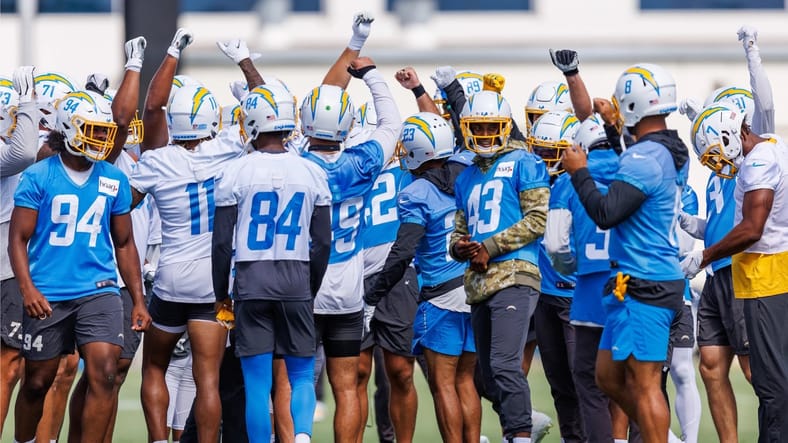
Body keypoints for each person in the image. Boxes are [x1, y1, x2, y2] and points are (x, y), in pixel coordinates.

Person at [8, 89, 151, 443]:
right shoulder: (39, 175)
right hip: (48, 292)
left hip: (98, 291)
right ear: (69, 129)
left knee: (103, 374)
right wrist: (27, 288)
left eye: (104, 130)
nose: (102, 137)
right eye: (95, 129)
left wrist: (137, 298)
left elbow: (124, 243)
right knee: (37, 382)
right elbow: (17, 239)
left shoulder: (113, 178)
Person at [131, 29, 248, 443]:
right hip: (213, 283)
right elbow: (271, 114)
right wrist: (246, 63)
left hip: (170, 278)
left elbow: (152, 106)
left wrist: (171, 52)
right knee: (208, 379)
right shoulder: (229, 150)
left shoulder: (158, 162)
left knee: (154, 369)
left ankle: (159, 441)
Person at [562, 63, 688, 443]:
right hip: (639, 279)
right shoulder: (666, 149)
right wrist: (616, 131)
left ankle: (657, 437)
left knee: (646, 383)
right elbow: (635, 163)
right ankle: (658, 434)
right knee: (607, 376)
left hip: (644, 281)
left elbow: (605, 213)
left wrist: (579, 173)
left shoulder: (643, 158)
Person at [212, 82, 332, 443]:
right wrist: (310, 285)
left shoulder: (235, 171)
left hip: (251, 279)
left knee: (257, 383)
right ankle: (304, 436)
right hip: (296, 277)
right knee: (300, 374)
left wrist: (222, 293)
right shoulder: (312, 171)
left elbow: (221, 243)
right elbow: (323, 241)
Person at [300, 54, 400, 442]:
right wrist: (372, 77)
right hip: (347, 289)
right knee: (346, 386)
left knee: (298, 378)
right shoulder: (363, 162)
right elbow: (391, 121)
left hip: (305, 287)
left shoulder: (294, 163)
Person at [366, 112, 480, 443]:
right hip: (473, 288)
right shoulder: (467, 173)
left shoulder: (416, 192)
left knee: (444, 382)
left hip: (440, 295)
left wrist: (374, 295)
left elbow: (403, 253)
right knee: (466, 380)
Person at [681, 102, 787, 442]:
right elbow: (723, 225)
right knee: (727, 370)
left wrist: (704, 257)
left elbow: (751, 228)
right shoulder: (742, 161)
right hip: (735, 276)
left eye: (714, 151)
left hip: (752, 273)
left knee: (764, 375)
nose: (714, 162)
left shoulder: (756, 161)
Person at [66, 35, 155, 443]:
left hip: (134, 276)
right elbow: (121, 122)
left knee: (113, 376)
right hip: (103, 278)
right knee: (99, 372)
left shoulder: (147, 158)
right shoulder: (108, 157)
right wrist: (133, 66)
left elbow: (145, 117)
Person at [450, 90, 550, 443]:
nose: (486, 134)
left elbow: (538, 219)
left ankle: (519, 435)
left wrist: (490, 247)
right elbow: (458, 231)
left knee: (506, 364)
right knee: (485, 378)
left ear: (505, 127)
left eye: (492, 126)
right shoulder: (465, 178)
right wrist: (460, 247)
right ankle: (527, 420)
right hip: (479, 283)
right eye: (478, 127)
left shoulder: (525, 162)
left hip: (514, 275)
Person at [526, 110, 586, 443]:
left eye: (554, 151)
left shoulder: (579, 184)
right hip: (545, 295)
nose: (547, 159)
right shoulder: (533, 184)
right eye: (542, 150)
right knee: (560, 385)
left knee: (587, 382)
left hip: (577, 295)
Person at [0, 66, 39, 434]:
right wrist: (27, 100)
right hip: (3, 273)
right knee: (6, 366)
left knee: (10, 366)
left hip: (8, 270)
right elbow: (25, 152)